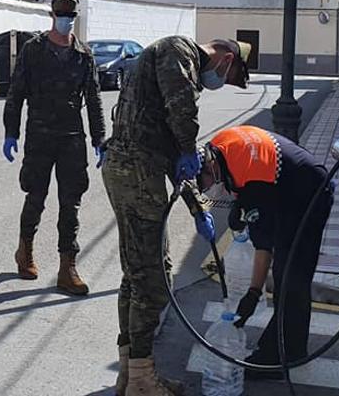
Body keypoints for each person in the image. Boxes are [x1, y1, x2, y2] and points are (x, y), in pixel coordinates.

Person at [101, 35, 251, 395]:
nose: (219, 85)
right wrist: (187, 148)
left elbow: (176, 158)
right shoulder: (178, 50)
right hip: (137, 172)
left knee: (136, 275)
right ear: (227, 59)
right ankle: (140, 378)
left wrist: (198, 207)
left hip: (131, 169)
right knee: (153, 281)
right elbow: (182, 113)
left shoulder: (171, 65)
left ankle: (131, 372)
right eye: (228, 77)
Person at [196, 125, 335, 380]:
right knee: (288, 273)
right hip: (286, 187)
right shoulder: (218, 147)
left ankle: (281, 357)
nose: (207, 191)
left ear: (211, 168)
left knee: (291, 274)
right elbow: (245, 180)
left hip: (309, 194)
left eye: (204, 184)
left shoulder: (254, 180)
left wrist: (253, 291)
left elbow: (264, 244)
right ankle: (289, 347)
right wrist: (240, 203)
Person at [2, 0, 105, 295]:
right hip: (40, 136)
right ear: (52, 15)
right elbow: (16, 92)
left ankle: (67, 266)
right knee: (36, 196)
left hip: (72, 137)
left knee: (70, 203)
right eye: (61, 15)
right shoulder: (33, 50)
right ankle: (26, 251)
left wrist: (100, 137)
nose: (66, 21)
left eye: (71, 16)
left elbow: (94, 98)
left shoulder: (84, 54)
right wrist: (11, 131)